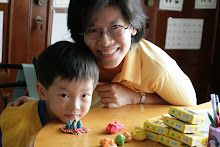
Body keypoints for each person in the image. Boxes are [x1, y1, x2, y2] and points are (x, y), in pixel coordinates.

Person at [7, 0, 197, 109]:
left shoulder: (157, 67)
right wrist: (35, 107)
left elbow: (190, 107)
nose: (105, 42)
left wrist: (135, 97)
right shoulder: (76, 60)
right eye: (93, 30)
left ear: (132, 27)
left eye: (115, 27)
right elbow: (58, 97)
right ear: (80, 34)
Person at [0, 41, 99, 146]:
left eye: (84, 95)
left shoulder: (86, 121)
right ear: (42, 92)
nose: (75, 106)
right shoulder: (18, 123)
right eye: (64, 95)